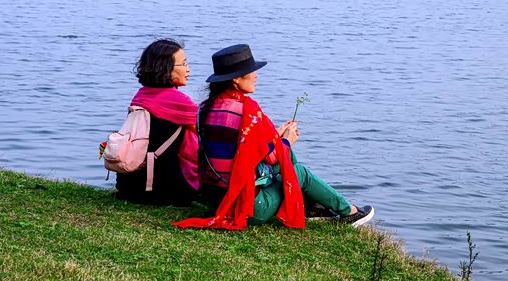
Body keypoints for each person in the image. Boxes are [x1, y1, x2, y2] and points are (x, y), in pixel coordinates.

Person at [173, 44, 373, 230]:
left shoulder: (203, 109)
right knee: (298, 172)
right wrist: (286, 141)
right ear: (236, 79)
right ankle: (349, 212)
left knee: (286, 159)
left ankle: (314, 206)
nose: (256, 75)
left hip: (214, 202)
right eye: (251, 71)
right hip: (247, 208)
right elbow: (273, 158)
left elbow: (240, 149)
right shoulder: (247, 112)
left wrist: (274, 136)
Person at [115, 38, 200, 206]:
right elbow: (204, 133)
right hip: (165, 191)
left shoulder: (141, 96)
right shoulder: (179, 102)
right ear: (166, 68)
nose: (188, 69)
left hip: (129, 187)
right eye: (183, 64)